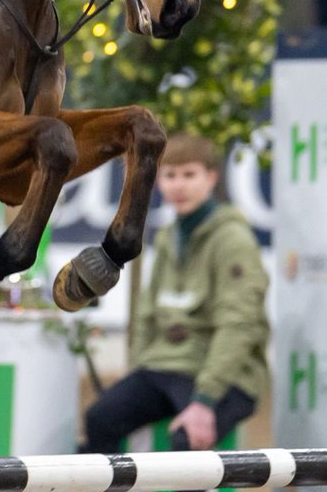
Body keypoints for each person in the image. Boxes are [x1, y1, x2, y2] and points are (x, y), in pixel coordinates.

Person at [82, 133, 269, 455]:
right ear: (158, 182)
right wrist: (140, 368)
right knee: (99, 419)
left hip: (226, 375)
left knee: (187, 441)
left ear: (211, 178)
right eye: (170, 175)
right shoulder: (168, 236)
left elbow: (239, 324)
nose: (179, 185)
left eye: (189, 174)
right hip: (164, 365)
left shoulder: (233, 240)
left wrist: (205, 400)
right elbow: (147, 312)